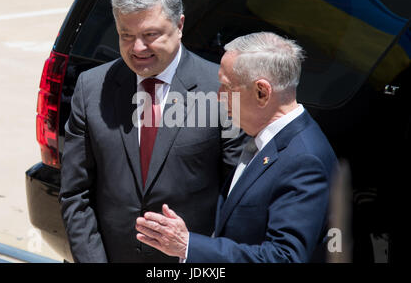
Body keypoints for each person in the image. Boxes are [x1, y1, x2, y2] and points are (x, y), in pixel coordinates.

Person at [59, 0, 247, 263]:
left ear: (180, 25)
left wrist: (199, 255)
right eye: (126, 35)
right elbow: (75, 195)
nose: (137, 48)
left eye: (150, 35)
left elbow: (239, 200)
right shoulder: (91, 88)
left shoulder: (221, 91)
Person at [135, 32, 339, 262]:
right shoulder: (265, 139)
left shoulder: (303, 160)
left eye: (227, 87)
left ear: (262, 92)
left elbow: (283, 258)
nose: (218, 96)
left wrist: (188, 246)